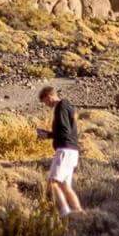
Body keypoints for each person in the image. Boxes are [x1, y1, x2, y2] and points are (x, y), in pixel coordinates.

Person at [37, 84, 83, 218]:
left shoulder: (61, 106)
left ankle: (65, 213)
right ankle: (79, 213)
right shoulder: (68, 106)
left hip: (64, 150)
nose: (46, 104)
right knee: (64, 185)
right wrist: (49, 135)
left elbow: (64, 131)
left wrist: (48, 135)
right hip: (72, 150)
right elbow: (66, 130)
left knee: (53, 182)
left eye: (45, 101)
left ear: (49, 96)